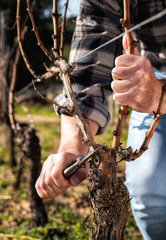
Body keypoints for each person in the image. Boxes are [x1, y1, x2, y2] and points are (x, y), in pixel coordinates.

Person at [35, 1, 166, 239]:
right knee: (149, 195)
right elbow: (91, 57)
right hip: (155, 74)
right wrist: (73, 144)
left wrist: (163, 95)